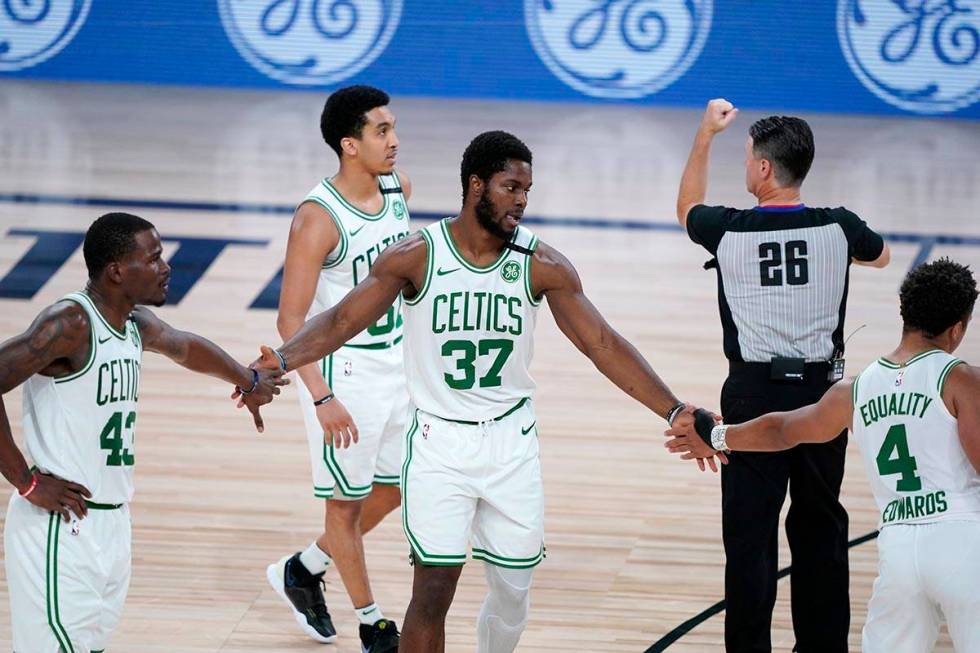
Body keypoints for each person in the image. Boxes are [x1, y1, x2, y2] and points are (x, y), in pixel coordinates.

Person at [250, 130, 718, 653]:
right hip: (438, 446)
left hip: (510, 446)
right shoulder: (416, 257)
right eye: (510, 186)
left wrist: (674, 408)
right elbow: (339, 320)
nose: (521, 199)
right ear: (476, 185)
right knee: (431, 592)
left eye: (527, 189)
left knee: (513, 592)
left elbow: (602, 343)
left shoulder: (542, 264)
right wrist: (281, 361)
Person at [0, 212, 284, 653]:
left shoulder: (134, 324)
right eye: (153, 259)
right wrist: (26, 480)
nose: (166, 267)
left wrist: (247, 381)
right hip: (60, 528)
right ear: (116, 271)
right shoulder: (70, 324)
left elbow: (185, 346)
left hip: (112, 523)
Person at [665, 257, 980, 653]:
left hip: (900, 551)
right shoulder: (962, 379)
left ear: (905, 313)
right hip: (963, 542)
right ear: (958, 327)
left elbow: (780, 429)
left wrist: (717, 435)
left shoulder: (854, 391)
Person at [676, 99, 891, 653]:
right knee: (820, 529)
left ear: (765, 170)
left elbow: (686, 207)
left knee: (750, 543)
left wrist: (705, 134)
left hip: (751, 395)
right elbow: (884, 256)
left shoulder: (726, 230)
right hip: (824, 396)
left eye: (748, 158)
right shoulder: (839, 227)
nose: (746, 167)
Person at [264, 85, 410, 652]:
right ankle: (373, 625)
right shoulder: (317, 218)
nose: (394, 140)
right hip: (344, 374)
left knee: (394, 489)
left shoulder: (396, 188)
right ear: (350, 145)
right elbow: (290, 321)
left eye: (394, 128)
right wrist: (322, 398)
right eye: (382, 131)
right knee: (345, 506)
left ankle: (302, 567)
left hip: (398, 366)